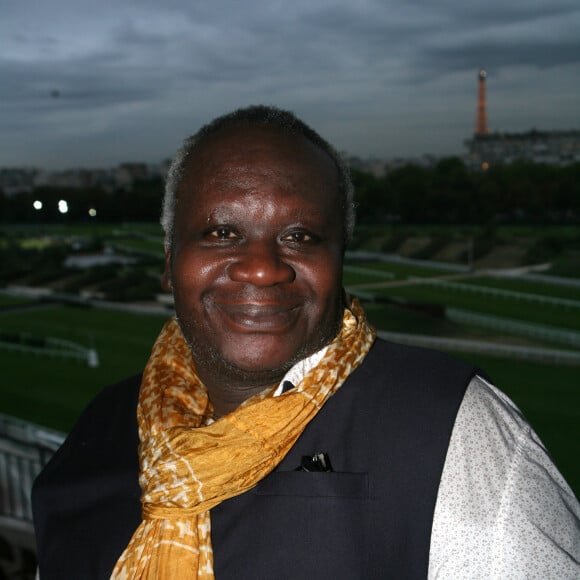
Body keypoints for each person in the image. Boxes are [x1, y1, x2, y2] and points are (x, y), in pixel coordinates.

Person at [32, 105, 579, 579]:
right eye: (222, 233)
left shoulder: (458, 430)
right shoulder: (98, 430)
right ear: (168, 261)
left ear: (339, 260)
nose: (263, 270)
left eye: (300, 237)